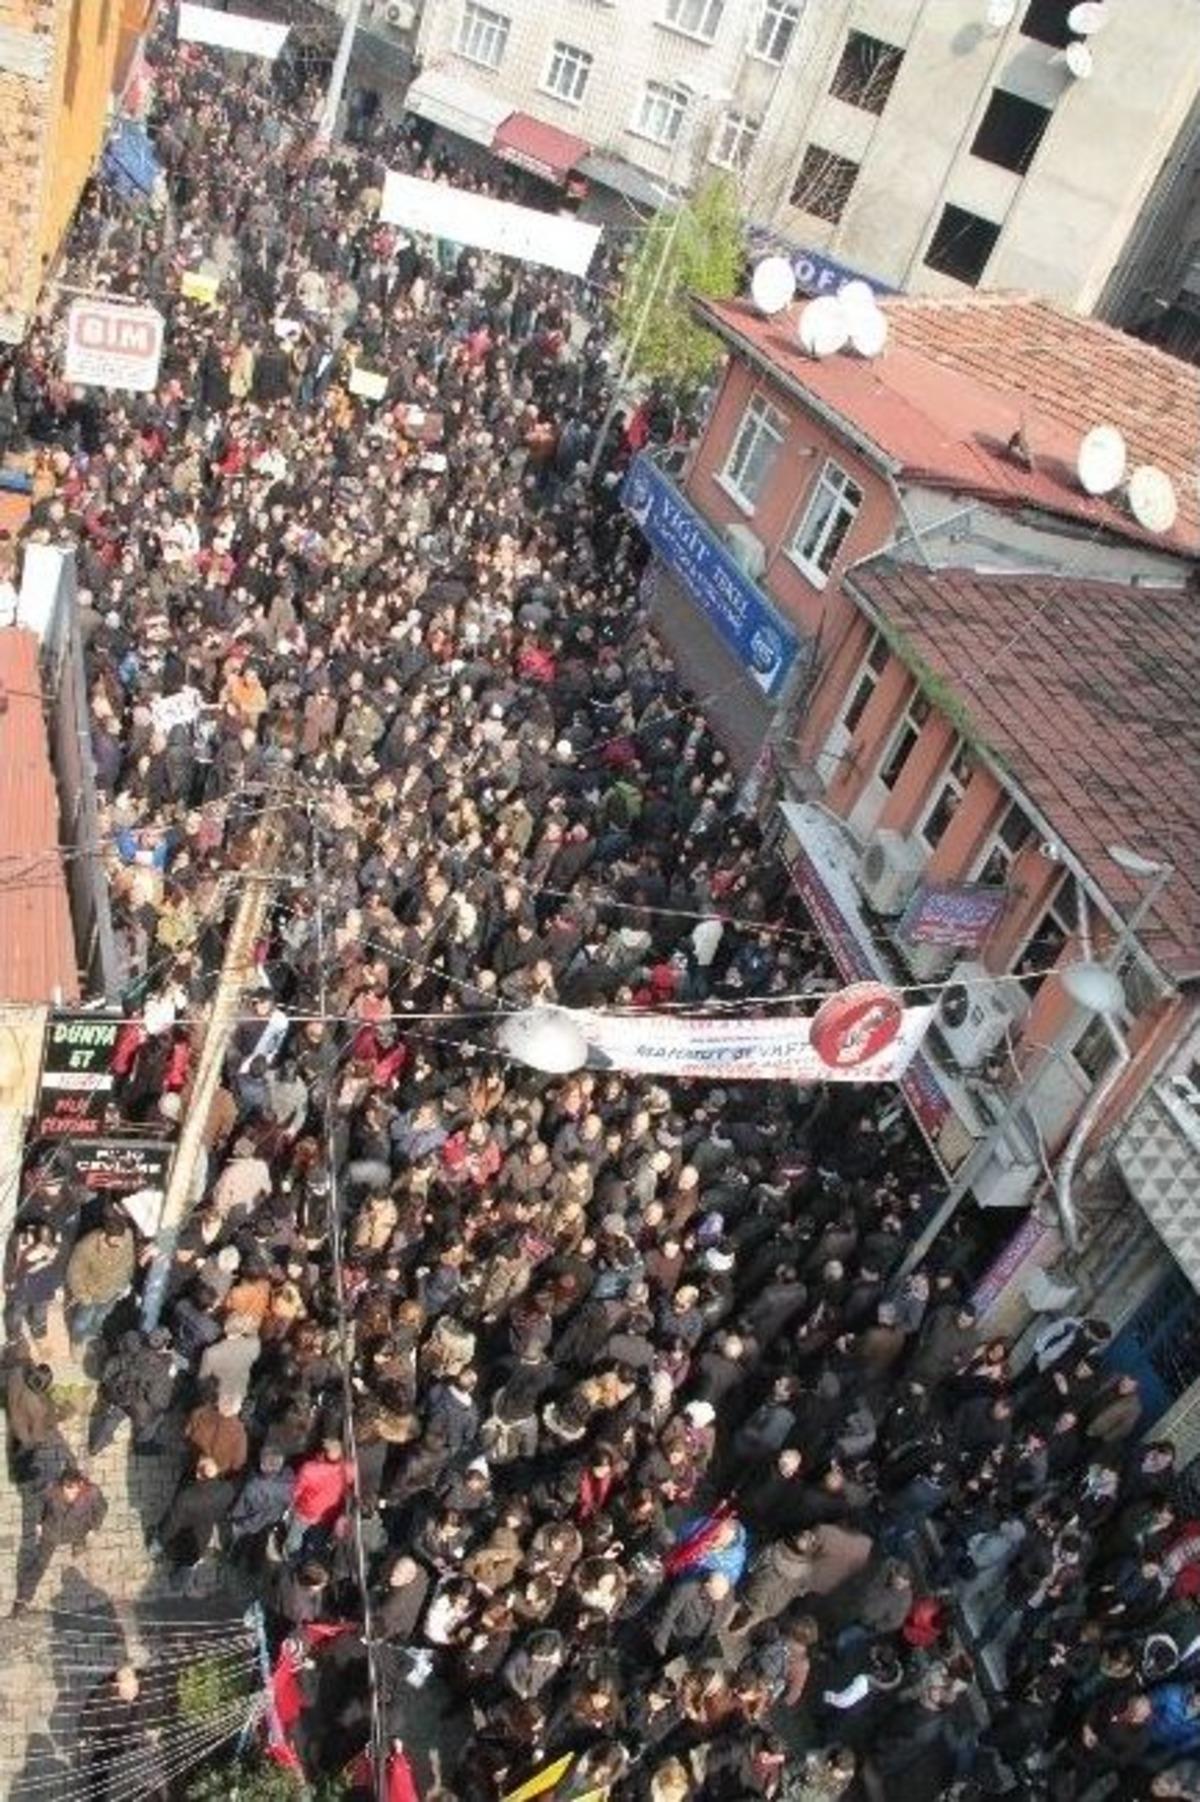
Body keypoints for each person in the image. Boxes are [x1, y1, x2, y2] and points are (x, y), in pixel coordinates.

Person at [12, 1466, 107, 1612]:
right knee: (40, 1563)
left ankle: (78, 1544)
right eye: (67, 1488)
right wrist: (38, 1523)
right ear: (61, 1484)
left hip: (79, 1528)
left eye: (74, 1488)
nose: (71, 1493)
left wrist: (94, 1527)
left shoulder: (92, 1493)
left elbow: (102, 1509)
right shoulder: (50, 1489)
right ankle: (23, 1599)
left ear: (81, 1484)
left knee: (80, 1540)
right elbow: (39, 1505)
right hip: (52, 1532)